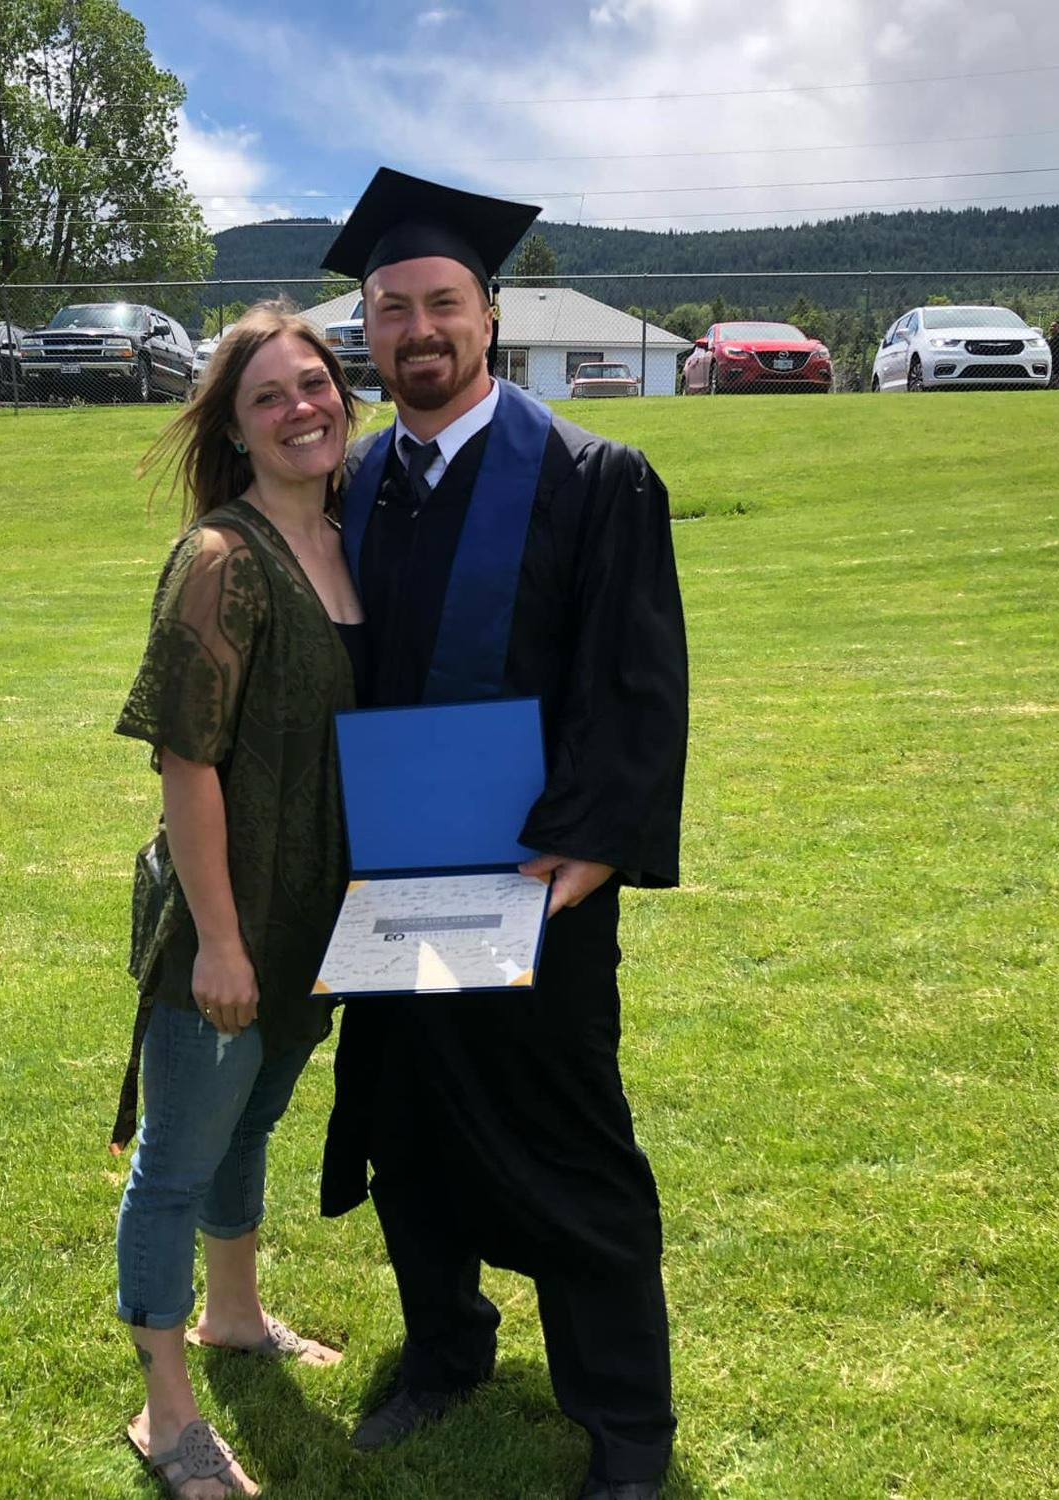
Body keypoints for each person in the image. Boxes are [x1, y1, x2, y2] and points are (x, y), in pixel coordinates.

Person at [318, 169, 689, 1500]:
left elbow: (635, 680)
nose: (418, 329)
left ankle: (625, 1426)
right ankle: (443, 1352)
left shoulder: (594, 479)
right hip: (389, 884)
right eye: (392, 308)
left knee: (570, 1140)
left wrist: (596, 844)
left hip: (538, 882)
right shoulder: (353, 485)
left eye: (443, 304)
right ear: (367, 328)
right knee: (410, 1127)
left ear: (489, 315)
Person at [111, 304, 367, 1499]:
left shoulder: (351, 543)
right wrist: (218, 940)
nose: (299, 408)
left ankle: (233, 1316)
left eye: (313, 384)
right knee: (177, 1159)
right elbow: (186, 758)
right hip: (232, 915)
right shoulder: (223, 557)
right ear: (234, 428)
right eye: (268, 396)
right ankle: (166, 1411)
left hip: (317, 909)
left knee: (249, 1127)